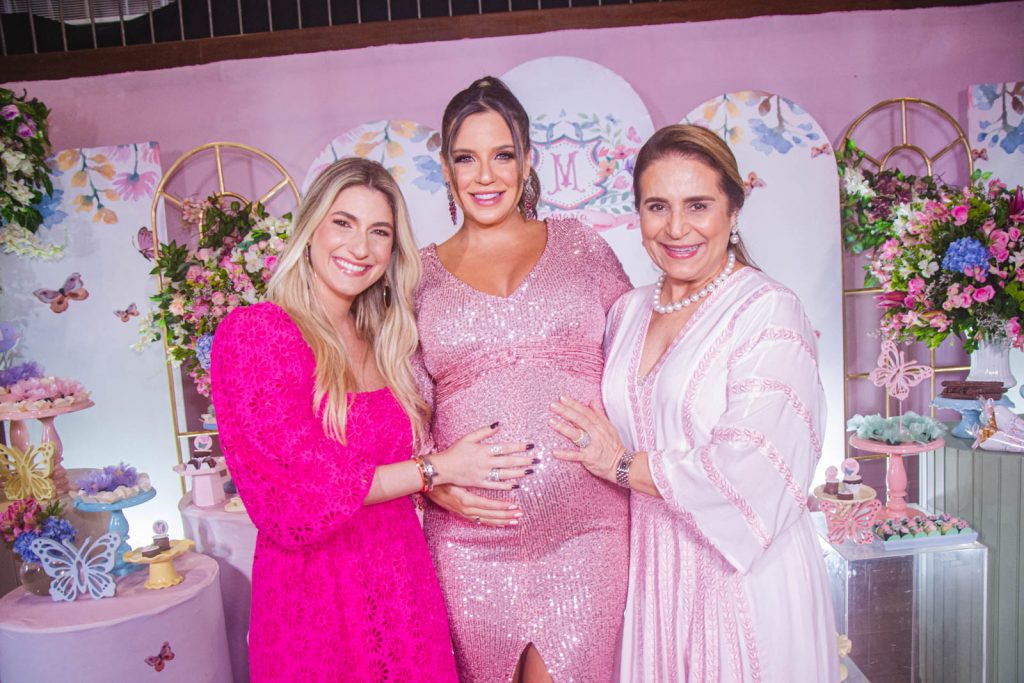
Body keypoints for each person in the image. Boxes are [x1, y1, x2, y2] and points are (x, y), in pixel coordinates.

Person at [210, 157, 534, 682]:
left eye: (378, 232)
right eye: (343, 223)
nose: (359, 248)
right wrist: (435, 471)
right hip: (315, 598)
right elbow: (297, 492)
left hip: (402, 582)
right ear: (310, 227)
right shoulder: (257, 334)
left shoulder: (388, 343)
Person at [549, 124, 840, 682]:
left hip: (741, 573)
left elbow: (753, 465)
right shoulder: (627, 312)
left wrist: (620, 467)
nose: (676, 228)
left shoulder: (768, 310)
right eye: (657, 206)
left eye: (698, 205)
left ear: (733, 211)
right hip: (651, 569)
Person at [414, 77, 632, 682]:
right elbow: (404, 407)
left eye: (503, 155)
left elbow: (640, 359)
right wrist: (429, 484)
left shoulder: (583, 249)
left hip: (587, 530)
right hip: (466, 540)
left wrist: (627, 457)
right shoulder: (418, 277)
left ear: (529, 160)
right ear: (446, 168)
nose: (486, 176)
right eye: (466, 158)